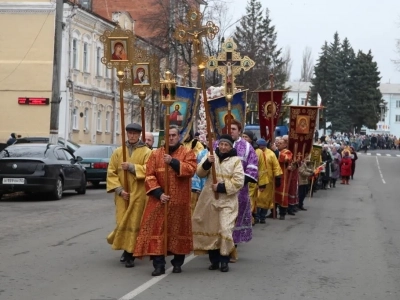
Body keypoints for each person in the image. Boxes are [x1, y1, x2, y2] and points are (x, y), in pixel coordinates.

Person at [134, 125, 197, 276]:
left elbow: (191, 169)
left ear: (179, 136)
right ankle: (158, 265)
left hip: (179, 202)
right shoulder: (156, 154)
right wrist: (158, 193)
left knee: (178, 232)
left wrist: (173, 162)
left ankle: (177, 263)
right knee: (157, 231)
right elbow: (149, 175)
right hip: (159, 201)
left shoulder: (187, 152)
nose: (171, 138)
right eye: (168, 135)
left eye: (174, 135)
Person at [192, 134, 244, 273]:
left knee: (225, 229)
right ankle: (214, 260)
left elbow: (239, 181)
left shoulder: (235, 161)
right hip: (209, 200)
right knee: (211, 229)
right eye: (221, 144)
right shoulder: (211, 156)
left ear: (230, 146)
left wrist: (221, 187)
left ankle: (224, 259)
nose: (223, 147)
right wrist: (207, 163)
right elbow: (200, 173)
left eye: (226, 145)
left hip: (227, 201)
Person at [106, 123, 152, 268]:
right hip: (122, 195)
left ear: (139, 135)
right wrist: (119, 190)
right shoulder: (119, 152)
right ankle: (126, 250)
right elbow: (111, 172)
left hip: (138, 194)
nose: (132, 136)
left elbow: (149, 170)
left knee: (134, 223)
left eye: (135, 133)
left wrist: (132, 167)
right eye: (130, 133)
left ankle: (130, 253)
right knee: (122, 222)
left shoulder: (146, 152)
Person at [216, 120, 258, 261]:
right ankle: (218, 250)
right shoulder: (218, 144)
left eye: (233, 129)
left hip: (239, 192)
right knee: (219, 222)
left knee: (234, 221)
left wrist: (237, 183)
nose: (231, 131)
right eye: (228, 128)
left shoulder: (246, 147)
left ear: (239, 131)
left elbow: (252, 167)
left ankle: (231, 249)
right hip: (219, 192)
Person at [254, 139, 282, 221]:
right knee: (257, 198)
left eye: (262, 146)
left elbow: (276, 166)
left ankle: (262, 217)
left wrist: (278, 177)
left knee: (266, 199)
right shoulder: (256, 152)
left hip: (268, 180)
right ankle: (257, 216)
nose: (261, 148)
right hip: (257, 178)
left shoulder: (271, 154)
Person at [274, 137, 294, 220]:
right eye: (277, 143)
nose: (278, 144)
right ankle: (273, 212)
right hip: (274, 175)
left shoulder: (287, 152)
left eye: (280, 143)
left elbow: (286, 159)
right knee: (273, 194)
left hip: (283, 176)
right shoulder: (274, 151)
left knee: (282, 195)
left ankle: (282, 213)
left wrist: (276, 151)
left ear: (285, 144)